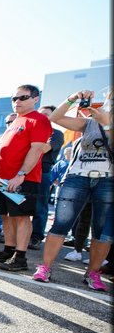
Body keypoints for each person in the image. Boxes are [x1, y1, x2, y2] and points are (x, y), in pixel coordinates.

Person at [32, 89, 112, 291]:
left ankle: (93, 273)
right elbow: (55, 117)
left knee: (102, 231)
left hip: (107, 181)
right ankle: (45, 268)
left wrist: (108, 124)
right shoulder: (89, 122)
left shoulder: (102, 121)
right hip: (77, 178)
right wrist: (72, 99)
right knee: (61, 224)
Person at [0, 85, 51, 272]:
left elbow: (36, 149)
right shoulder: (16, 121)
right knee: (5, 215)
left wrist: (21, 175)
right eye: (14, 98)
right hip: (2, 179)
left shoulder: (39, 120)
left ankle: (20, 257)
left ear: (35, 99)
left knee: (21, 217)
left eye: (22, 98)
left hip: (22, 179)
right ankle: (8, 250)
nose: (17, 102)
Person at [29, 106, 67, 251]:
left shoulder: (56, 134)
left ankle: (36, 237)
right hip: (25, 171)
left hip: (42, 172)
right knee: (20, 206)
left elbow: (43, 148)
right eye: (39, 114)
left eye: (45, 114)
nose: (41, 117)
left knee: (39, 206)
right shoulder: (31, 131)